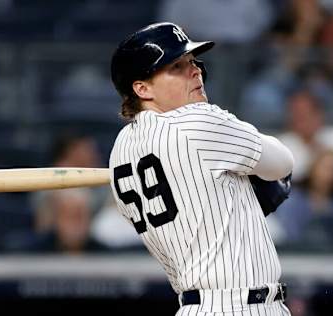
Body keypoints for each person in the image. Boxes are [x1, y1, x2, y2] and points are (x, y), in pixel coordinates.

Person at [109, 22, 294, 315]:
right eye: (176, 66)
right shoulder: (196, 122)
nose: (195, 71)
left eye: (193, 62)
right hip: (240, 307)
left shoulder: (119, 151)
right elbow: (283, 163)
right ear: (142, 88)